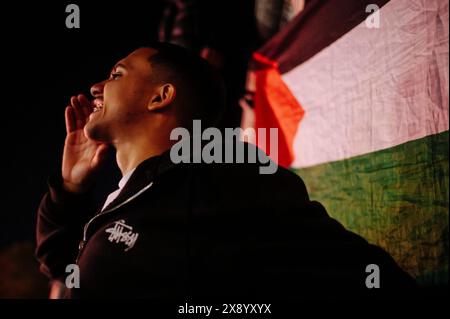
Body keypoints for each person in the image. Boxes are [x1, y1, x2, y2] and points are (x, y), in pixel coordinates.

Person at [36, 42, 416, 299]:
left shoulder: (221, 179)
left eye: (117, 74)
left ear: (161, 96)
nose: (96, 86)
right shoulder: (128, 195)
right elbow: (60, 267)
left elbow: (362, 273)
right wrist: (68, 190)